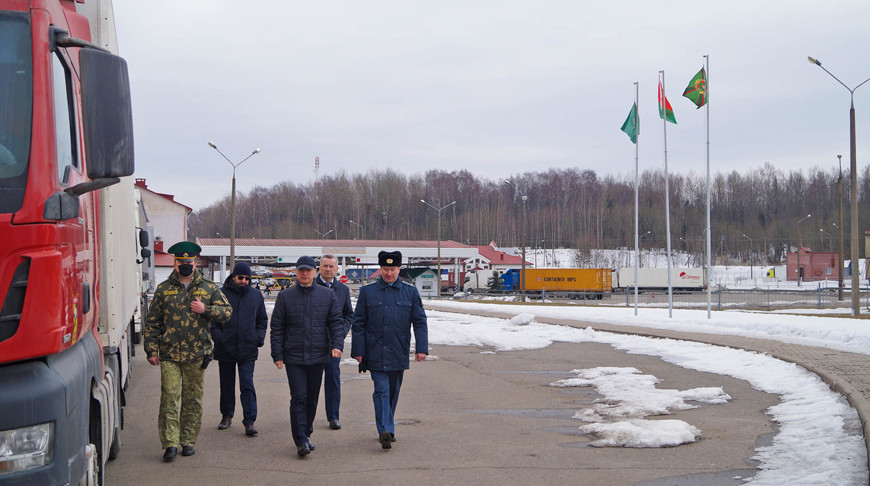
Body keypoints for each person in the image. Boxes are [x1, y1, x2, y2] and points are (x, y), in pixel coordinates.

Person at [144, 241, 232, 462]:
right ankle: (170, 443)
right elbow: (153, 322)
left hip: (196, 354)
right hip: (170, 354)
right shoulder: (164, 289)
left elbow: (227, 313)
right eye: (181, 262)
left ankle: (188, 440)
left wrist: (206, 309)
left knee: (193, 399)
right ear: (175, 264)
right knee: (170, 398)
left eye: (189, 262)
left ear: (195, 264)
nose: (185, 266)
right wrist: (151, 349)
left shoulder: (209, 288)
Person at [352, 250, 428, 450]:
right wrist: (358, 351)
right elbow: (358, 323)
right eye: (385, 269)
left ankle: (387, 424)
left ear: (399, 269)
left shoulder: (410, 292)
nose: (388, 273)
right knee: (382, 390)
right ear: (380, 269)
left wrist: (421, 348)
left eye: (392, 269)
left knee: (393, 392)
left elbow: (419, 321)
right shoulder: (368, 292)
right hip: (375, 351)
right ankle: (386, 430)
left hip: (398, 350)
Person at [270, 256, 345, 457]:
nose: (305, 273)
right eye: (301, 270)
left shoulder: (327, 295)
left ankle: (307, 431)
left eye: (308, 270)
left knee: (311, 398)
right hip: (293, 356)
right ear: (296, 272)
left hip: (318, 355)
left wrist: (337, 345)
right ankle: (300, 439)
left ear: (314, 272)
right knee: (299, 397)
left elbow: (336, 323)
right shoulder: (285, 297)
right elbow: (277, 327)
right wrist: (277, 353)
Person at [212, 261, 268, 437]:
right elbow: (213, 320)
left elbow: (262, 320)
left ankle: (249, 421)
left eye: (246, 278)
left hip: (247, 348)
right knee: (226, 385)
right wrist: (219, 339)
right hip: (225, 348)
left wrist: (258, 338)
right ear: (234, 277)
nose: (243, 281)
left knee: (247, 384)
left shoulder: (256, 295)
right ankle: (226, 415)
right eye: (240, 277)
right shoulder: (221, 294)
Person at [316, 254, 354, 430]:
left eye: (331, 266)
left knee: (333, 379)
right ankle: (306, 415)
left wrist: (342, 332)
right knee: (311, 381)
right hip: (313, 342)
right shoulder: (311, 285)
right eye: (325, 266)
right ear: (319, 268)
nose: (328, 269)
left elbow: (348, 315)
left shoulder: (343, 290)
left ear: (337, 269)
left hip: (333, 344)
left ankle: (333, 416)